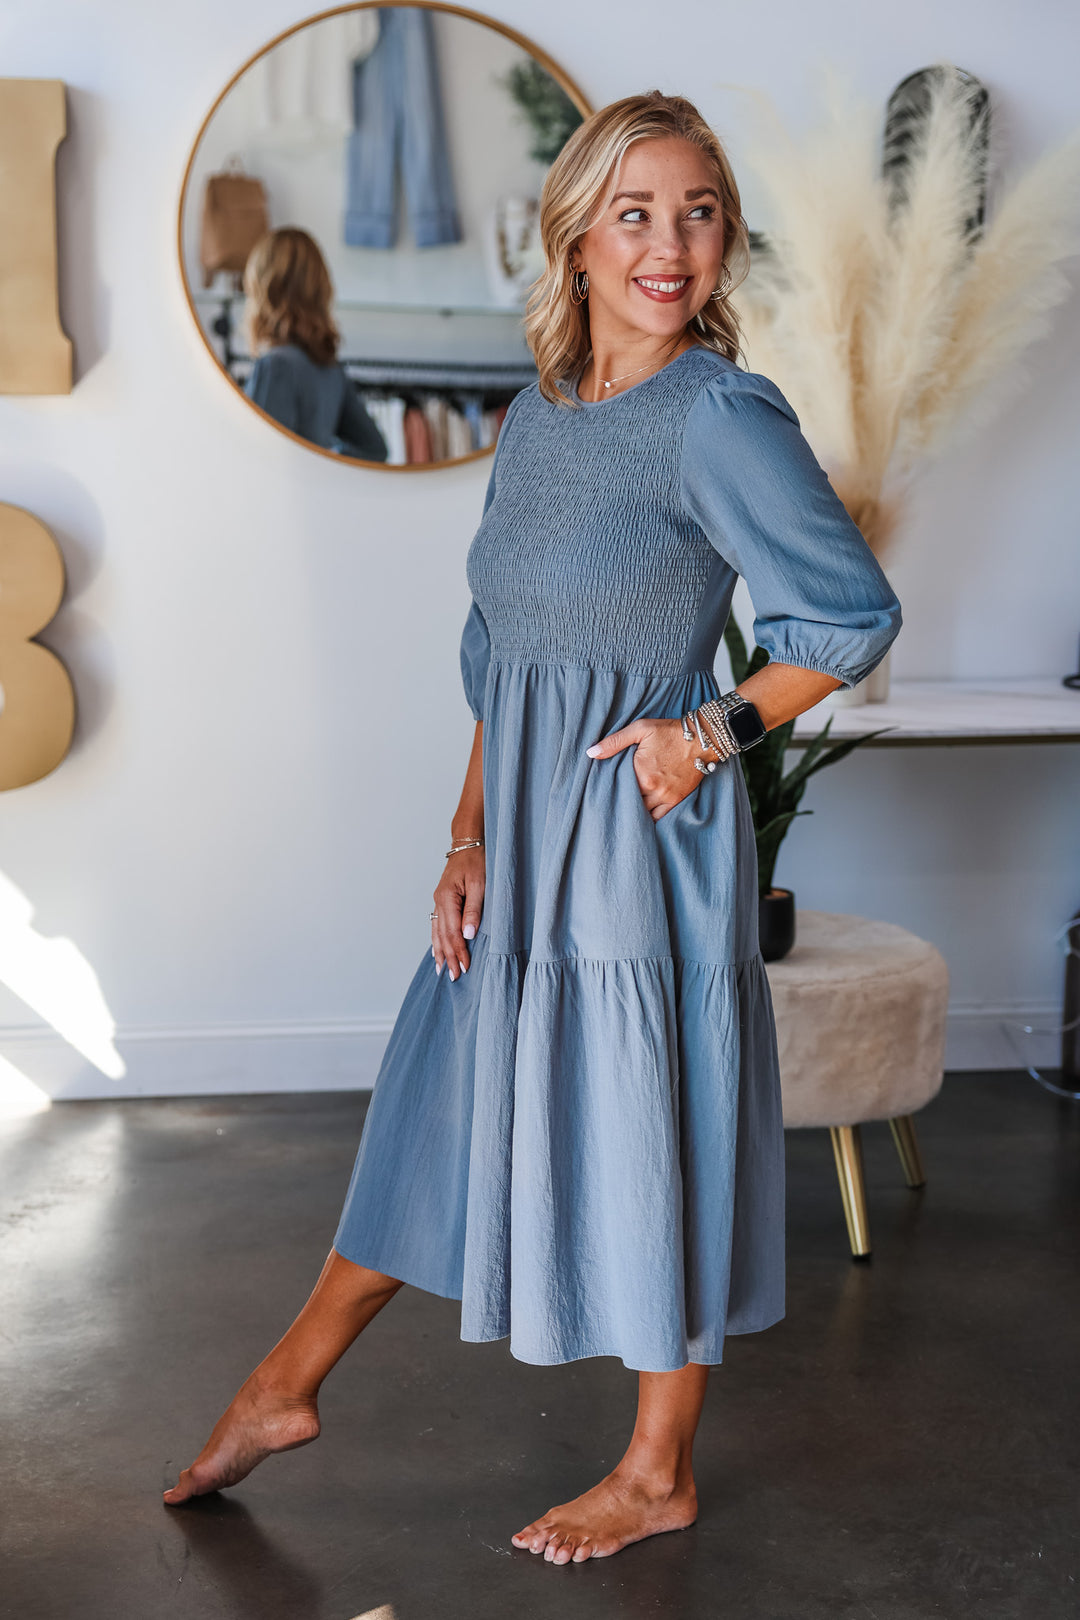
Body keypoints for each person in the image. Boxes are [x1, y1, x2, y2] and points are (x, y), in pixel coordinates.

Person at [165, 92, 902, 1564]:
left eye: (699, 212)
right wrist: (465, 839)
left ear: (726, 238)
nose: (669, 245)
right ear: (574, 236)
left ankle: (658, 1467)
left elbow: (850, 616)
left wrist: (709, 734)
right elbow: (502, 657)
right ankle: (283, 1383)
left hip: (632, 849)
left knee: (650, 1129)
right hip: (522, 843)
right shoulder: (537, 417)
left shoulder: (719, 415)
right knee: (440, 1105)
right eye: (635, 212)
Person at [241, 226, 388, 462]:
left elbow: (259, 464)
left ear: (264, 289)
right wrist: (325, 454)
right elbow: (375, 450)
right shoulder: (331, 370)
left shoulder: (275, 367)